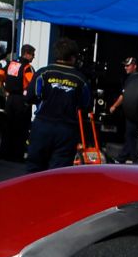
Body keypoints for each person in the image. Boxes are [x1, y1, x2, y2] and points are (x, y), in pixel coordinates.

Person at [24, 37, 91, 173]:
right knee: (58, 173)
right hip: (66, 129)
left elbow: (30, 96)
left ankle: (32, 193)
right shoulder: (80, 79)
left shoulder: (43, 73)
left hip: (42, 125)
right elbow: (86, 104)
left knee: (34, 169)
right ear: (73, 58)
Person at [107, 55, 138, 162]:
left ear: (134, 66)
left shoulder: (131, 79)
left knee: (130, 136)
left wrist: (114, 106)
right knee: (130, 136)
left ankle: (135, 160)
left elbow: (123, 96)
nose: (125, 68)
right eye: (125, 66)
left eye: (128, 66)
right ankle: (121, 158)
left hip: (132, 113)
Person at [0, 44, 35, 159]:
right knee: (21, 128)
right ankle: (16, 155)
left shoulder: (11, 64)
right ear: (26, 54)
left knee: (8, 126)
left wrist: (3, 91)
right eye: (32, 54)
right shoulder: (27, 67)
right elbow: (32, 83)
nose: (33, 57)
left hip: (10, 99)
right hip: (21, 101)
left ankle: (5, 153)